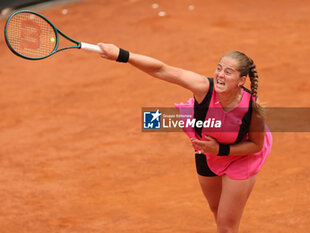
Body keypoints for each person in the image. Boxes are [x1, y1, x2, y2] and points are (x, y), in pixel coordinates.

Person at [97, 43, 272, 233]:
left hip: (240, 156)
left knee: (226, 227)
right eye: (219, 68)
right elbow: (162, 69)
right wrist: (122, 55)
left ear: (241, 80)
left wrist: (221, 150)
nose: (220, 75)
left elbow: (255, 145)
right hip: (207, 150)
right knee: (216, 209)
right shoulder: (204, 87)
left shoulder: (252, 109)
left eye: (228, 72)